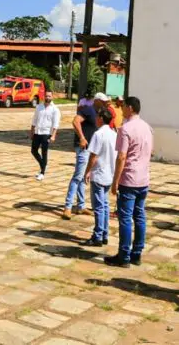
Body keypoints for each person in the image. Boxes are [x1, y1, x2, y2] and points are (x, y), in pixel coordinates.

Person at [105, 95, 153, 268]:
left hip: (129, 179)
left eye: (123, 106)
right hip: (143, 178)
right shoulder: (147, 127)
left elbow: (122, 156)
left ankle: (124, 255)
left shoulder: (125, 129)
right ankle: (137, 253)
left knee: (125, 218)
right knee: (139, 216)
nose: (121, 109)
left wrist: (115, 180)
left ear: (130, 108)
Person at [62, 95, 101, 220]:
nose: (106, 104)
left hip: (90, 148)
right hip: (84, 148)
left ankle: (81, 206)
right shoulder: (89, 109)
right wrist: (82, 138)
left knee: (83, 177)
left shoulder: (97, 113)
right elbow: (75, 121)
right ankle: (67, 207)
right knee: (77, 177)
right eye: (104, 102)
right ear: (98, 101)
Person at [84, 105, 116, 246]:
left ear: (101, 118)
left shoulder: (99, 134)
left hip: (99, 174)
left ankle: (98, 235)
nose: (95, 119)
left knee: (98, 206)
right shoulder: (114, 134)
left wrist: (87, 171)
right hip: (110, 174)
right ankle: (104, 234)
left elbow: (93, 156)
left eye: (97, 117)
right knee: (105, 205)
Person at [29, 91, 60, 181]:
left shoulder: (55, 109)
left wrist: (53, 135)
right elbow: (34, 120)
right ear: (44, 96)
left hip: (46, 133)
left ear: (52, 97)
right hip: (37, 132)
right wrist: (32, 131)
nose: (47, 97)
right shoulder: (39, 107)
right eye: (46, 96)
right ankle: (43, 165)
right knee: (33, 150)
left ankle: (42, 172)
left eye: (49, 96)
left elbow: (55, 124)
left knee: (44, 152)